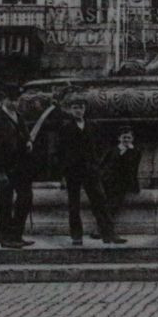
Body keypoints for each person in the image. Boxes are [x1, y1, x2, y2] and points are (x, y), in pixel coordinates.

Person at [57, 94, 114, 245]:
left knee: (99, 201)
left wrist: (97, 163)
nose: (78, 111)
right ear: (70, 110)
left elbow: (102, 146)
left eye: (81, 108)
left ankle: (107, 233)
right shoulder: (65, 127)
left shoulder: (93, 126)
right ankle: (76, 235)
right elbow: (59, 151)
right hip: (73, 171)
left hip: (90, 170)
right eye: (75, 108)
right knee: (74, 204)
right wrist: (63, 172)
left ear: (85, 109)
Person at [0, 83, 34, 248]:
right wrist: (0, 172)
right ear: (4, 99)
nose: (15, 103)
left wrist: (28, 142)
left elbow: (26, 136)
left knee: (26, 199)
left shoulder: (19, 116)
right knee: (5, 204)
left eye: (17, 100)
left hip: (22, 167)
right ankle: (5, 238)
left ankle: (17, 235)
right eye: (12, 100)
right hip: (5, 168)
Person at [103, 126, 142, 245]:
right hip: (111, 181)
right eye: (124, 137)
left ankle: (104, 230)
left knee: (112, 206)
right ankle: (106, 231)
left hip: (123, 183)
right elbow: (107, 164)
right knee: (111, 206)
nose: (126, 140)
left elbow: (133, 167)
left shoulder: (135, 151)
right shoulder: (113, 150)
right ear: (119, 138)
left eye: (128, 137)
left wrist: (135, 184)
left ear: (132, 139)